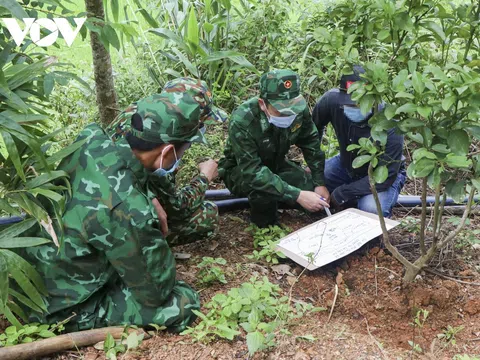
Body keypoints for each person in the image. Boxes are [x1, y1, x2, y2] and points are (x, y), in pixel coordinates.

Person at [17, 92, 211, 332]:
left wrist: (149, 197)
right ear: (167, 151)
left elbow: (121, 183)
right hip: (54, 308)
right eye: (185, 150)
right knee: (183, 303)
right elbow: (156, 291)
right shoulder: (129, 211)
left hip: (28, 277)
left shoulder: (93, 136)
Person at [107, 77, 224, 245]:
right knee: (207, 215)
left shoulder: (135, 113)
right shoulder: (158, 150)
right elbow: (178, 209)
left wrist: (150, 195)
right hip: (117, 224)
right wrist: (204, 177)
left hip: (115, 196)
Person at [219, 69, 330, 227]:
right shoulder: (243, 120)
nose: (289, 115)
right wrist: (297, 195)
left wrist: (319, 183)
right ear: (262, 104)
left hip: (276, 163)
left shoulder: (298, 109)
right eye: (281, 111)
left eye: (292, 108)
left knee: (312, 192)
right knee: (264, 193)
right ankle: (265, 226)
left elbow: (311, 143)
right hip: (241, 171)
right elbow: (253, 172)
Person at [312, 65, 406, 218]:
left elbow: (387, 175)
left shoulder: (390, 121)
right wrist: (315, 163)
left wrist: (342, 193)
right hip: (346, 163)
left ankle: (357, 202)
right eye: (348, 103)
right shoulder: (331, 100)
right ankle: (351, 200)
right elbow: (312, 131)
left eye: (359, 103)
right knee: (311, 184)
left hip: (380, 173)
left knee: (370, 210)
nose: (353, 107)